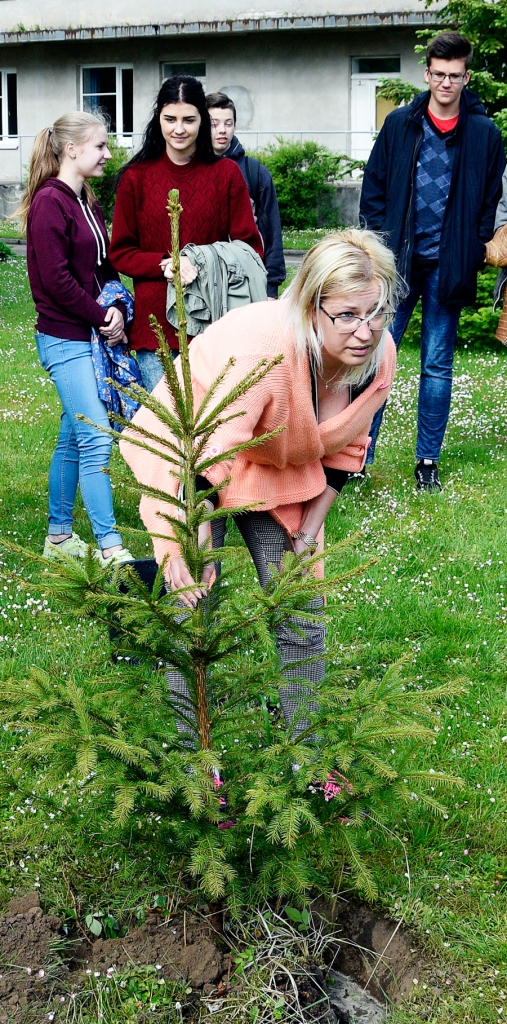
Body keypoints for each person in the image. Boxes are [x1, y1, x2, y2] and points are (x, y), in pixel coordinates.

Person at [120, 229, 398, 798]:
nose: (365, 331)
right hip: (194, 443)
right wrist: (186, 542)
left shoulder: (376, 358)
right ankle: (194, 764)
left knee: (301, 605)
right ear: (310, 303)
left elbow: (347, 453)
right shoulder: (266, 351)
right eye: (347, 315)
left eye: (376, 312)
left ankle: (308, 761)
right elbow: (207, 456)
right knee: (192, 605)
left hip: (276, 457)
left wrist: (308, 533)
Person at [359, 32, 505, 490]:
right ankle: (357, 456)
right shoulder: (400, 124)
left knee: (437, 365)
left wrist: (475, 244)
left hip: (449, 264)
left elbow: (491, 199)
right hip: (396, 262)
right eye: (438, 74)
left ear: (466, 76)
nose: (446, 83)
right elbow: (375, 188)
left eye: (455, 76)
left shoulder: (484, 133)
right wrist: (378, 247)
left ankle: (427, 464)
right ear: (427, 73)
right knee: (375, 359)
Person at [19, 112, 133, 566]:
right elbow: (55, 280)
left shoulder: (86, 199)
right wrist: (99, 314)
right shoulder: (51, 202)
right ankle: (110, 549)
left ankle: (59, 538)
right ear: (71, 149)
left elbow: (103, 270)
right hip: (64, 338)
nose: (108, 154)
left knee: (73, 438)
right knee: (96, 438)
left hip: (90, 336)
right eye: (101, 146)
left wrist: (118, 309)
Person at [110, 76, 263, 392]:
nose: (179, 129)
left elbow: (250, 247)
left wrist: (201, 261)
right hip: (155, 330)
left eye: (189, 119)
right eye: (170, 118)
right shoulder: (135, 178)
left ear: (202, 121)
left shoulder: (226, 175)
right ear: (158, 119)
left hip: (215, 322)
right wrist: (165, 263)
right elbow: (121, 252)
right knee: (168, 432)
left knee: (212, 431)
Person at [206, 91, 286, 299]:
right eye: (213, 124)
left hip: (249, 280)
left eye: (228, 123)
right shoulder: (191, 171)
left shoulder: (255, 172)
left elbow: (272, 233)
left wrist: (271, 288)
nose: (222, 130)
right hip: (204, 283)